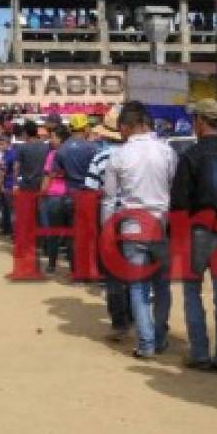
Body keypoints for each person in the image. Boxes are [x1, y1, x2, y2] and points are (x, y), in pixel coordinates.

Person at [102, 101, 177, 358]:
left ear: (125, 127)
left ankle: (146, 344)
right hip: (161, 224)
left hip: (132, 227)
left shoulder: (118, 156)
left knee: (138, 286)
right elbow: (172, 188)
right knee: (162, 285)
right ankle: (160, 337)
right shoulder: (167, 151)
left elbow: (110, 200)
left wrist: (107, 231)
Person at [171, 98, 217, 374]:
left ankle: (199, 353)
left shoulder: (191, 156)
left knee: (192, 293)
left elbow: (180, 202)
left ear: (200, 121)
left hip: (197, 232)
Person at [86, 107, 131, 339]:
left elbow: (91, 190)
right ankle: (136, 316)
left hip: (110, 219)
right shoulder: (137, 154)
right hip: (139, 220)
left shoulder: (101, 157)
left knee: (113, 274)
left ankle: (119, 323)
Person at [40, 125, 72, 274]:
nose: (50, 140)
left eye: (53, 137)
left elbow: (47, 175)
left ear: (60, 138)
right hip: (71, 195)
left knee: (53, 232)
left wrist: (42, 193)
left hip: (54, 196)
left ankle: (52, 264)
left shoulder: (53, 155)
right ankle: (74, 266)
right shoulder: (73, 153)